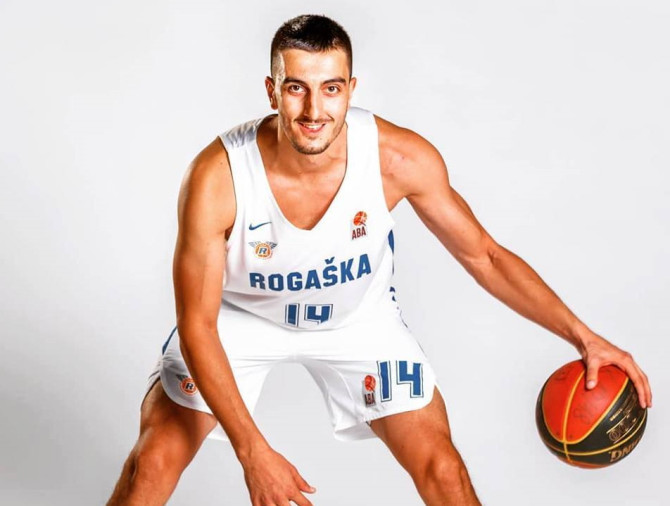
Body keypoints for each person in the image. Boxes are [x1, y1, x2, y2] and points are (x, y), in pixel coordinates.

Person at [107, 14, 652, 506]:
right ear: (272, 91)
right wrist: (253, 451)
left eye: (331, 89)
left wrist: (582, 336)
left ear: (351, 89)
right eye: (296, 88)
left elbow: (484, 256)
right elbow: (198, 326)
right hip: (239, 317)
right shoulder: (219, 176)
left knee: (443, 470)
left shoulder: (398, 158)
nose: (314, 110)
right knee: (152, 463)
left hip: (356, 320)